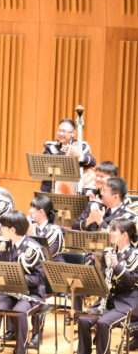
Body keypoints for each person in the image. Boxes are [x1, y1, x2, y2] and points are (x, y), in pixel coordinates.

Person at [0, 210, 46, 354]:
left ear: (12, 230)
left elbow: (40, 277)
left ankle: (20, 350)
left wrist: (17, 279)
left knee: (19, 312)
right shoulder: (2, 244)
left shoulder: (35, 249)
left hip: (31, 294)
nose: (0, 229)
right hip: (8, 293)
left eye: (3, 226)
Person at [77, 218, 138, 354]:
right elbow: (104, 279)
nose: (110, 233)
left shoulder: (135, 255)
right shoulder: (109, 252)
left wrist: (116, 266)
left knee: (103, 323)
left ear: (124, 235)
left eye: (113, 230)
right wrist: (105, 267)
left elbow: (131, 280)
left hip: (128, 302)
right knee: (84, 319)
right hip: (109, 300)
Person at [41, 119, 96, 193]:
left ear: (73, 133)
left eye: (64, 131)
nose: (60, 133)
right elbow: (47, 166)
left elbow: (92, 162)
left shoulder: (81, 146)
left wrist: (79, 156)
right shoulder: (50, 146)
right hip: (51, 188)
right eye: (59, 130)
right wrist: (63, 153)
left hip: (74, 188)